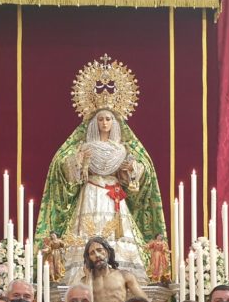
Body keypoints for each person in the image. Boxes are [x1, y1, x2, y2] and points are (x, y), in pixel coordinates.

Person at [37, 97, 165, 282]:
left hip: (114, 197)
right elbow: (66, 169)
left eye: (108, 119)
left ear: (114, 123)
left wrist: (132, 169)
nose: (104, 123)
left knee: (118, 236)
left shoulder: (122, 148)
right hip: (91, 193)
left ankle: (119, 274)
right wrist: (78, 161)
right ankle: (82, 273)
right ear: (93, 123)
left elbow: (138, 174)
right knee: (87, 232)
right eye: (100, 119)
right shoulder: (84, 147)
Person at [77, 236, 146, 302]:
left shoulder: (124, 276)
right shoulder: (84, 282)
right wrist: (89, 278)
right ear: (88, 258)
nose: (97, 255)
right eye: (92, 253)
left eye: (100, 250)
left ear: (107, 252)